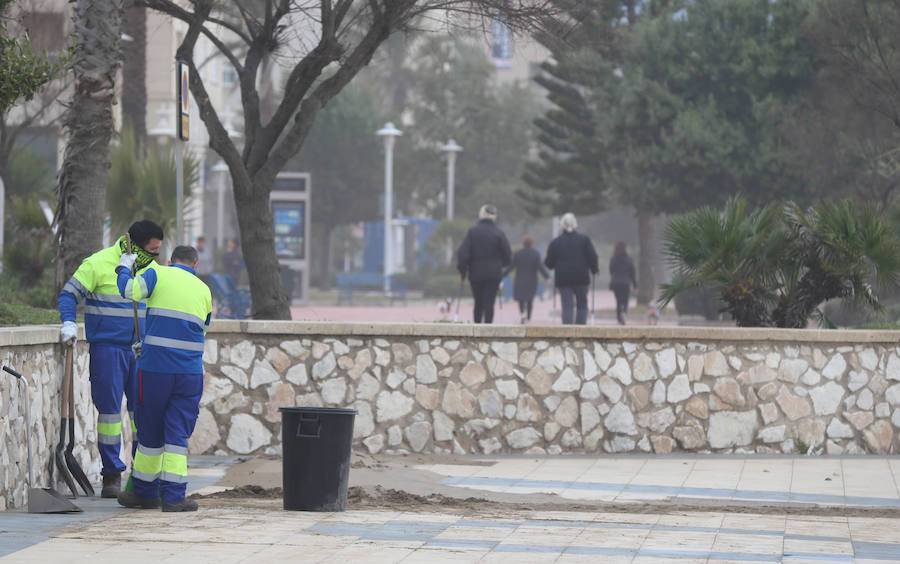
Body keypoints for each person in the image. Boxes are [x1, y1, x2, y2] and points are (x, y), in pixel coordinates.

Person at [58, 220, 164, 498]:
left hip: (142, 352)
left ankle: (142, 473)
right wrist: (69, 323)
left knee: (143, 413)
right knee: (109, 415)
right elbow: (69, 295)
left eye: (158, 251)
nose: (155, 257)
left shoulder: (151, 269)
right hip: (108, 349)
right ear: (138, 246)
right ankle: (112, 475)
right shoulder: (98, 263)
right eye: (152, 250)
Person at [114, 245, 212, 512]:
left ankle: (144, 493)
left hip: (155, 370)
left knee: (149, 431)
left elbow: (129, 291)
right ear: (195, 265)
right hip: (190, 374)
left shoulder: (157, 273)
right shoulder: (204, 290)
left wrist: (123, 266)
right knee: (177, 433)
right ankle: (174, 497)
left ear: (171, 261)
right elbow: (202, 327)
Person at [457, 204, 512, 324]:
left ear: (480, 214)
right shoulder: (499, 233)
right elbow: (507, 255)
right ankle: (488, 329)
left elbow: (463, 254)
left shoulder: (472, 232)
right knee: (489, 302)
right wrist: (501, 265)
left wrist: (463, 271)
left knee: (478, 302)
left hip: (476, 273)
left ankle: (476, 329)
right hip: (494, 274)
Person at [544, 213, 598, 325]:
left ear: (562, 226)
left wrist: (555, 264)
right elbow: (592, 257)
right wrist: (594, 269)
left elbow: (549, 263)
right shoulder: (584, 240)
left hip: (563, 279)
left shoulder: (556, 242)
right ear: (575, 225)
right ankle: (580, 330)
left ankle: (567, 332)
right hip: (581, 277)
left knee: (567, 305)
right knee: (582, 304)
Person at [503, 236, 550, 324]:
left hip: (520, 280)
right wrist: (547, 277)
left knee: (521, 299)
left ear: (523, 244)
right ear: (532, 244)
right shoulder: (535, 254)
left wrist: (503, 274)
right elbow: (540, 267)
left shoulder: (518, 254)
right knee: (529, 300)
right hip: (531, 281)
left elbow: (511, 266)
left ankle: (522, 314)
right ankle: (528, 318)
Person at [610, 241, 638, 325]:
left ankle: (619, 318)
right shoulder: (629, 259)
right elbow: (632, 273)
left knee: (618, 301)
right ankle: (624, 313)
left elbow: (611, 270)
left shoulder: (613, 259)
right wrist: (635, 285)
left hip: (616, 283)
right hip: (626, 283)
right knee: (625, 301)